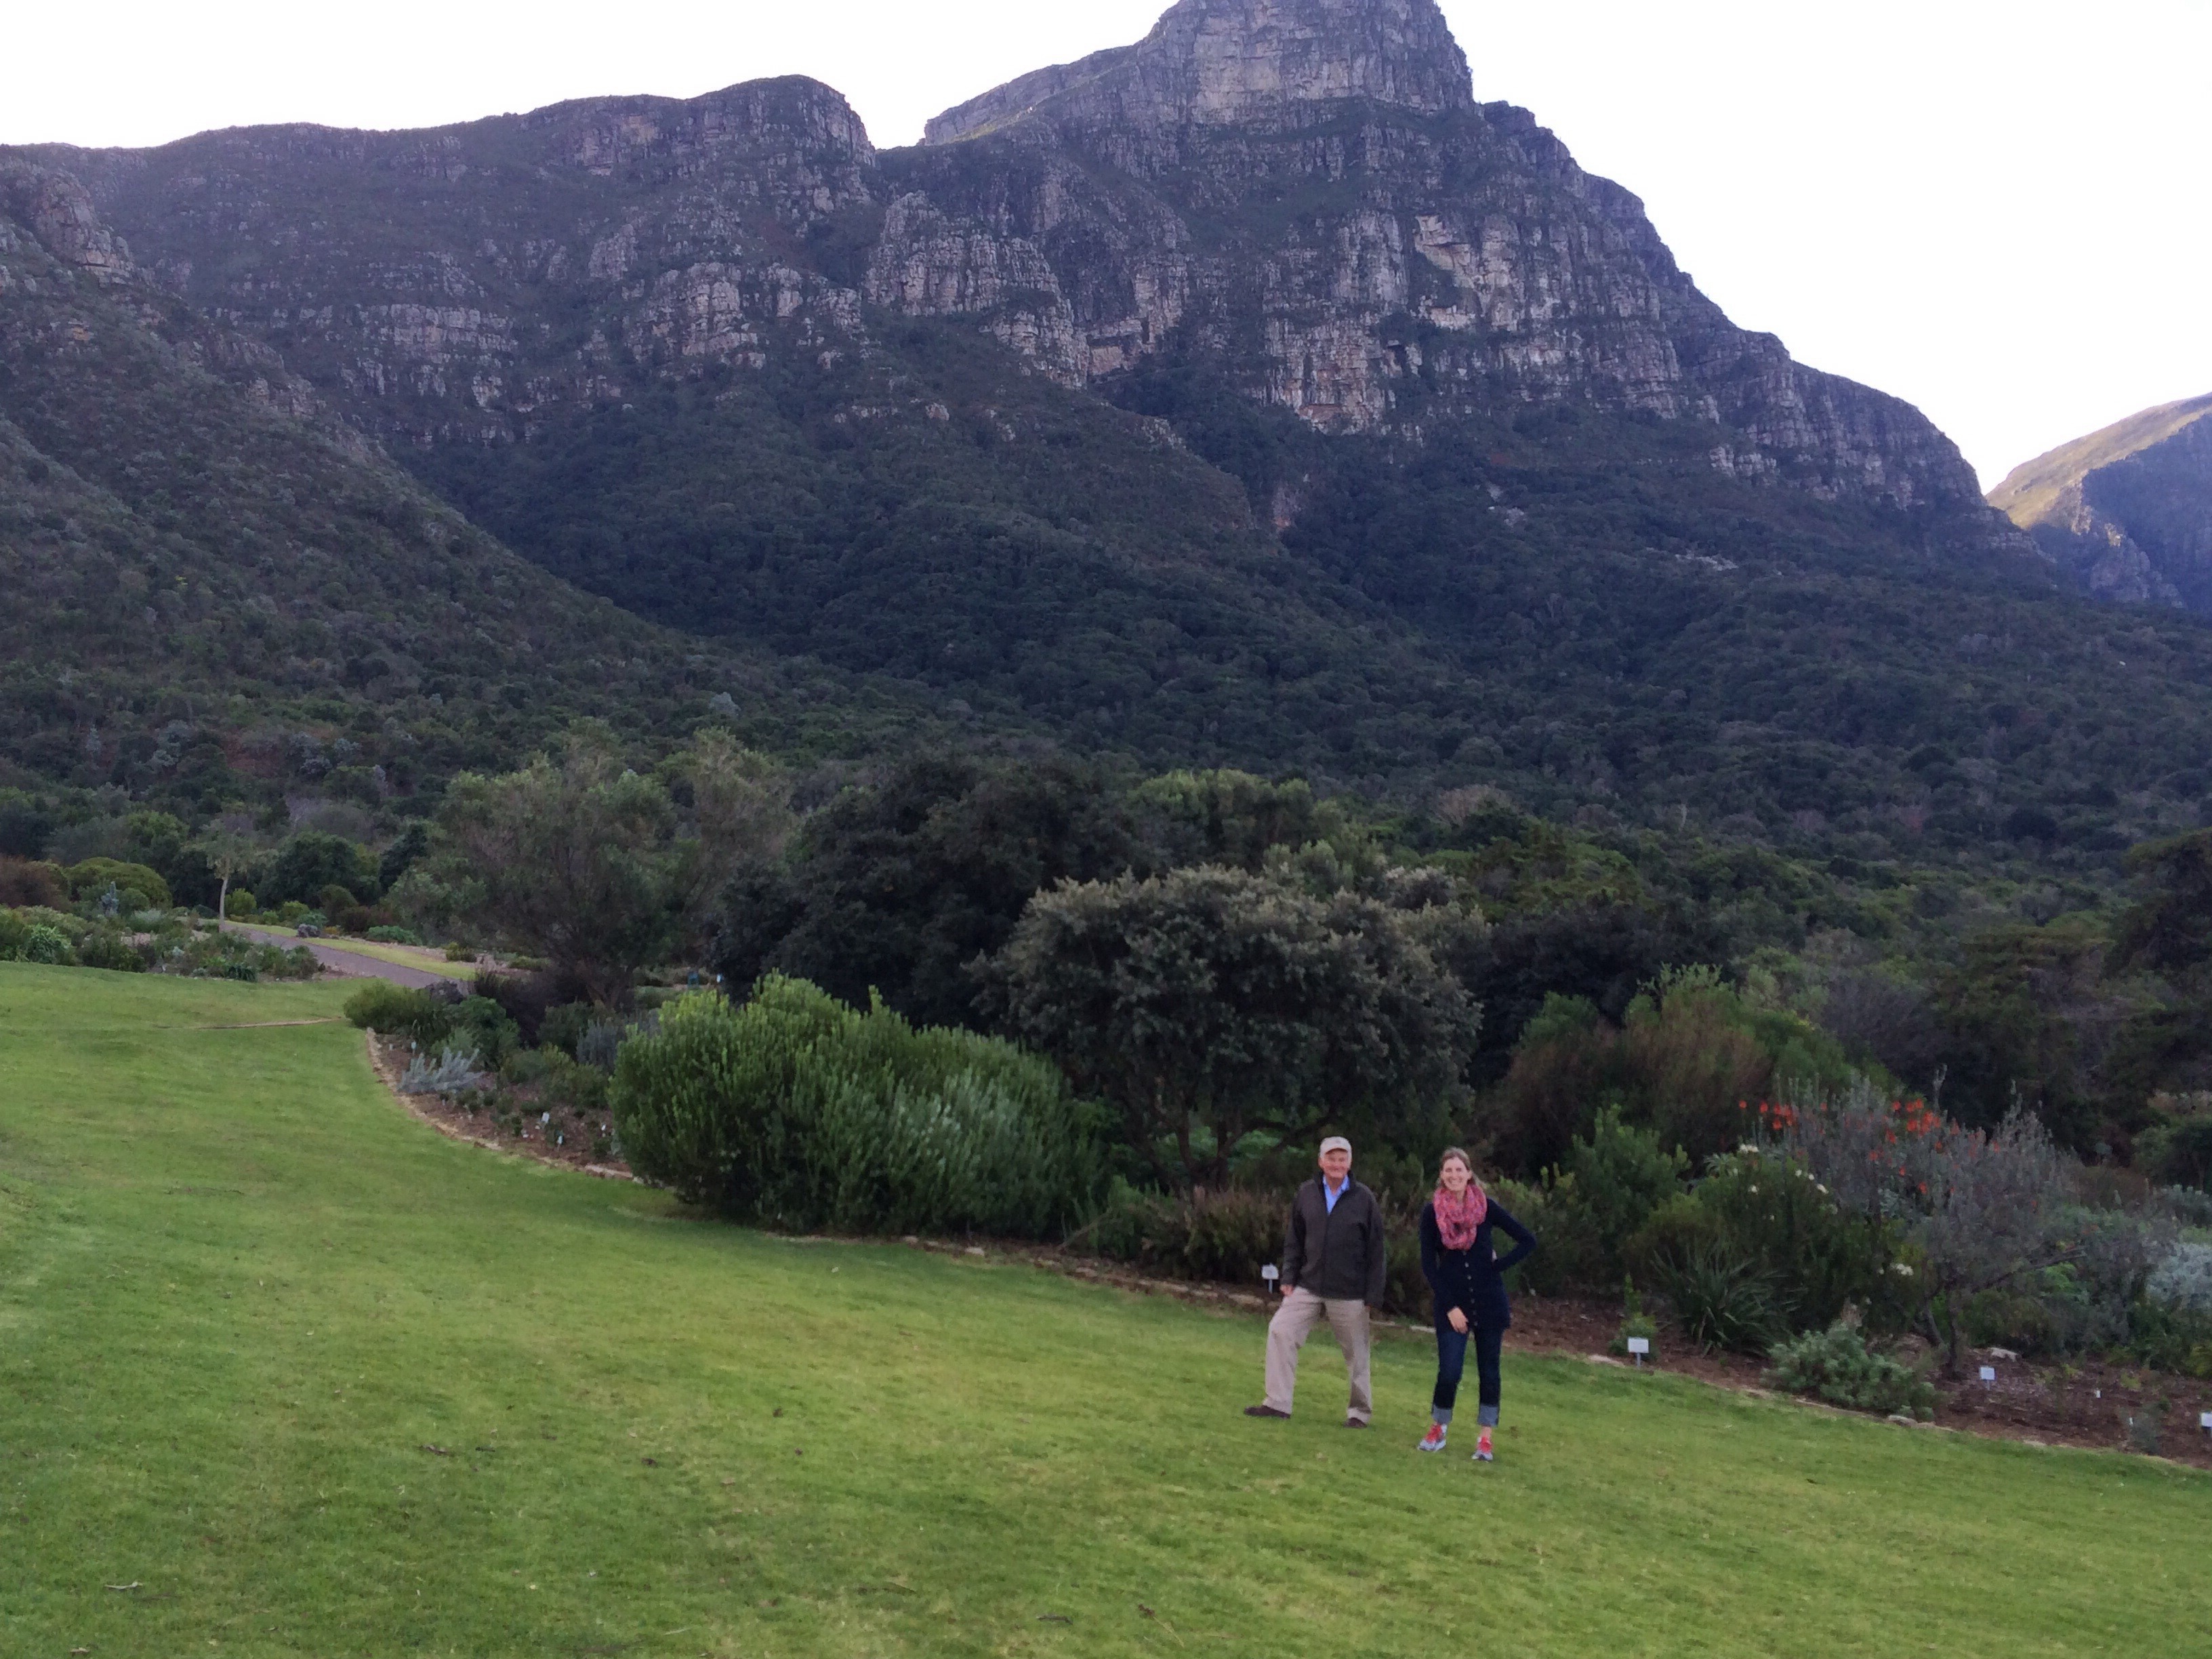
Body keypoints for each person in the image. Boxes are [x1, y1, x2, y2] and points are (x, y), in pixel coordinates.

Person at [1246, 1136, 1387, 1427]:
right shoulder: (1306, 1193)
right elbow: (1294, 1239)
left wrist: (1374, 1293)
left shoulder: (1364, 1199)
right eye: (1331, 1158)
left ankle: (1359, 1413)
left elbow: (1377, 1250)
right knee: (1280, 1331)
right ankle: (1277, 1404)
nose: (1337, 1164)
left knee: (1357, 1353)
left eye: (1342, 1159)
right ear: (1321, 1161)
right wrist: (1288, 1276)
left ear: (1349, 1163)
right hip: (1308, 1285)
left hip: (1350, 1292)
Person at [1417, 1147, 1535, 1462]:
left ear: (1469, 1173)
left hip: (1489, 1302)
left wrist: (1498, 1266)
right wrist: (1450, 1306)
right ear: (1441, 1176)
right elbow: (1429, 1265)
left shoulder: (1486, 1207)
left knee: (1489, 1372)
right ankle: (1438, 1428)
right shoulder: (1432, 1213)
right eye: (1448, 1171)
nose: (1454, 1175)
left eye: (1459, 1170)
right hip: (1452, 1304)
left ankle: (1485, 1439)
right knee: (1450, 1370)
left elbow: (1527, 1240)